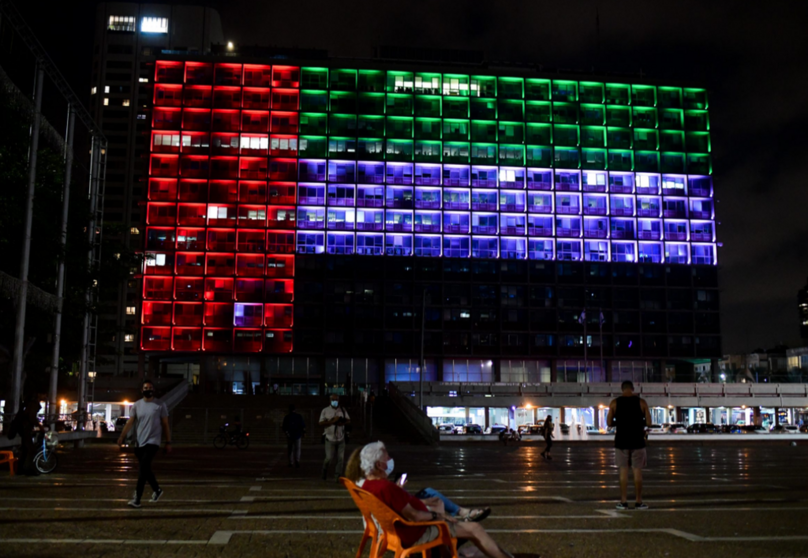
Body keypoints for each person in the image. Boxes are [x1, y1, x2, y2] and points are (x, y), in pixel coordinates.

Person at [356, 442, 514, 558]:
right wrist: (439, 517)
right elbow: (415, 516)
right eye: (387, 457)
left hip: (393, 532)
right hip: (415, 532)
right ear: (379, 465)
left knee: (437, 503)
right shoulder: (386, 488)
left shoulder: (368, 485)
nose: (390, 459)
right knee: (474, 528)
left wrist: (423, 504)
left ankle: (445, 552)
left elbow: (399, 507)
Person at [344, 448, 490, 522]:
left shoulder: (362, 482)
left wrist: (396, 489)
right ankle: (455, 521)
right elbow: (394, 503)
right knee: (432, 497)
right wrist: (397, 489)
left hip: (395, 506)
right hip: (400, 514)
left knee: (429, 492)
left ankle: (459, 514)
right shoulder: (370, 483)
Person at [117, 379, 172, 508]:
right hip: (139, 442)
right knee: (145, 469)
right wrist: (122, 436)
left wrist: (168, 442)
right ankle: (157, 490)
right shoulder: (137, 405)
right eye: (146, 388)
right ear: (142, 390)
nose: (148, 389)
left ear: (154, 390)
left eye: (150, 387)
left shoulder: (160, 404)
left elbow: (165, 424)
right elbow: (130, 422)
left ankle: (137, 499)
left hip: (153, 442)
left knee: (143, 469)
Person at [607, 380, 652, 510]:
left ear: (622, 389)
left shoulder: (615, 403)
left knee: (623, 471)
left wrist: (619, 422)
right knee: (637, 471)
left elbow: (609, 422)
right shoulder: (641, 402)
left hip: (621, 441)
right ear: (632, 389)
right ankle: (639, 501)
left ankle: (623, 501)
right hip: (638, 440)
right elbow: (649, 422)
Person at [319, 393, 351, 481]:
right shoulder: (325, 410)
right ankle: (324, 471)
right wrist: (333, 421)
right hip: (329, 438)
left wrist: (342, 422)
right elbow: (321, 423)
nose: (335, 401)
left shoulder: (342, 410)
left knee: (340, 459)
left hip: (341, 438)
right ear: (330, 400)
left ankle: (337, 476)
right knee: (328, 458)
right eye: (333, 399)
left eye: (336, 399)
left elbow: (348, 420)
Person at [282, 404, 305, 468]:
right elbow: (302, 425)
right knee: (297, 449)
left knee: (290, 449)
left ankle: (291, 462)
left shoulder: (287, 417)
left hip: (290, 435)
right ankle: (297, 461)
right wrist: (303, 432)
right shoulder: (299, 416)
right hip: (297, 434)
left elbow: (284, 426)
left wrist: (286, 433)